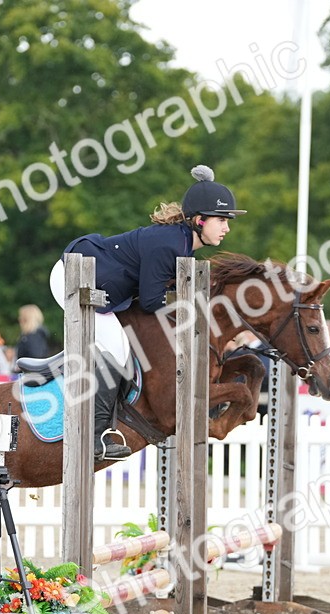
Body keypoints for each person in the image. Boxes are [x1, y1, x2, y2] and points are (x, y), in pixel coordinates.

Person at [56, 164, 243, 460]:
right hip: (76, 279)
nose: (227, 228)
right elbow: (152, 300)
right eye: (221, 220)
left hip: (102, 286)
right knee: (117, 350)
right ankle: (95, 437)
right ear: (199, 219)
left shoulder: (182, 243)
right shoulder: (169, 245)